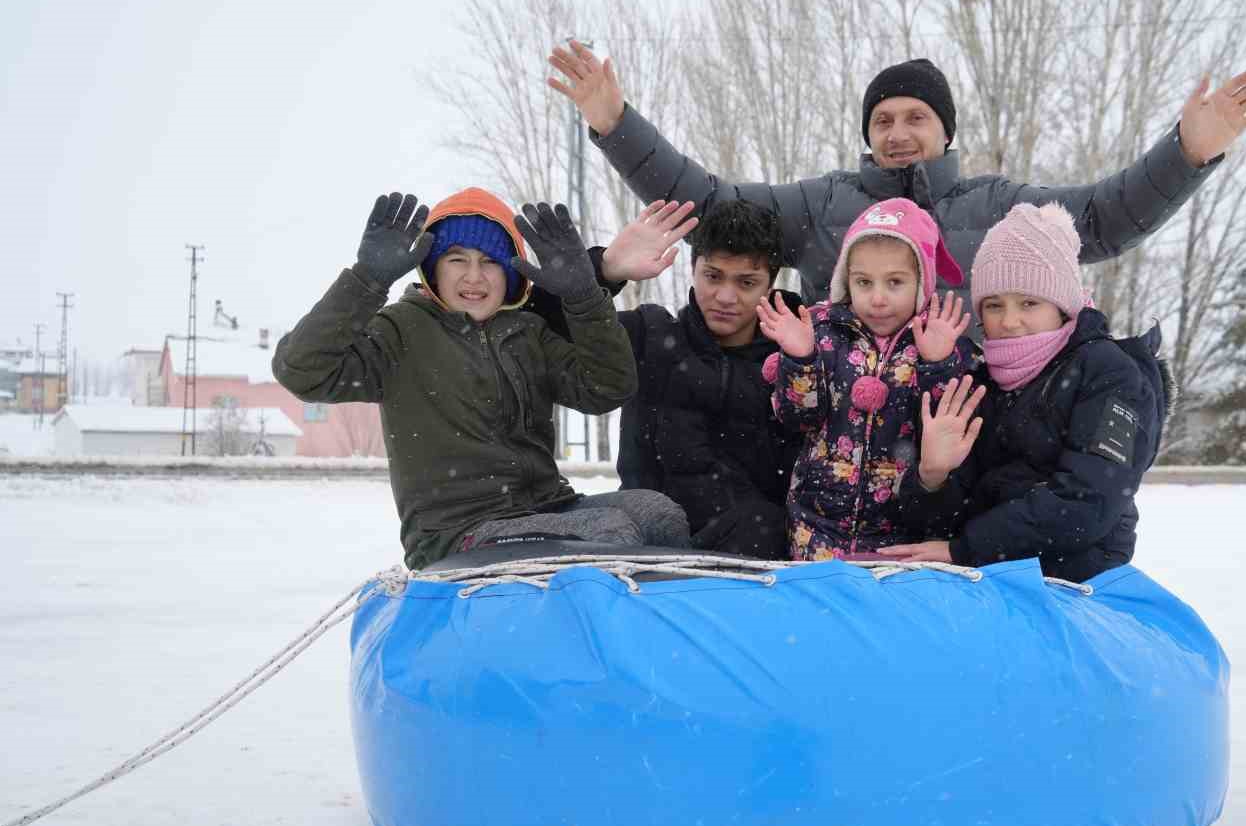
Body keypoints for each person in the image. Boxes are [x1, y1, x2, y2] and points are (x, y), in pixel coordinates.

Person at [547, 42, 1246, 304]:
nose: (898, 132)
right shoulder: (820, 203)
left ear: (945, 130)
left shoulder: (996, 205)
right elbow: (709, 206)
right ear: (867, 134)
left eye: (915, 118)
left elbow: (1101, 220)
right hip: (844, 446)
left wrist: (1189, 150)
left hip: (961, 445)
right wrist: (615, 123)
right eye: (883, 120)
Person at [271, 188, 691, 570]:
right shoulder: (400, 331)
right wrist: (368, 279)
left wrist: (583, 295)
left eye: (489, 261)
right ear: (432, 270)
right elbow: (301, 371)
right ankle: (593, 648)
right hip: (457, 532)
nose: (474, 277)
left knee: (659, 514)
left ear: (511, 273)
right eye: (457, 259)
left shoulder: (525, 330)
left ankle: (659, 640)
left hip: (546, 508)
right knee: (610, 534)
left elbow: (608, 388)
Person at [881, 202, 1171, 582]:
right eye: (995, 305)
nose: (1010, 321)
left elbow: (1087, 501)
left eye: (1029, 303)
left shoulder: (1109, 372)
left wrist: (966, 549)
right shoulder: (981, 380)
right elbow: (940, 522)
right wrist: (932, 477)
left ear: (1062, 305)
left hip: (1076, 582)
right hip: (986, 577)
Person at [757, 197, 978, 560]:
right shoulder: (823, 333)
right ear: (846, 280)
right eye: (863, 282)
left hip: (898, 535)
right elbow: (798, 419)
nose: (877, 298)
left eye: (894, 282)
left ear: (922, 282)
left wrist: (937, 364)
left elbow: (942, 433)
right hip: (815, 529)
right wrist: (801, 358)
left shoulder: (939, 343)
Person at [598, 199, 807, 558]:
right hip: (645, 555)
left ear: (769, 285)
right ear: (693, 269)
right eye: (713, 276)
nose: (725, 297)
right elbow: (547, 332)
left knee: (761, 525)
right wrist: (603, 272)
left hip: (752, 563)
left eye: (746, 282)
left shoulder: (796, 361)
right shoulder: (649, 336)